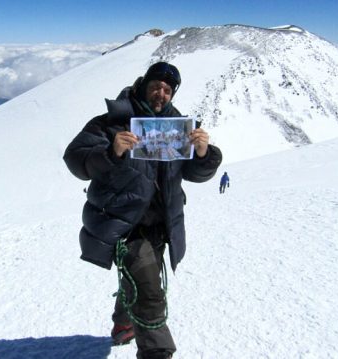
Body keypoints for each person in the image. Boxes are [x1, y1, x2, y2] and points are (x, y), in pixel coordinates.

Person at [63, 61, 222, 359]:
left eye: (166, 89)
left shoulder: (179, 127)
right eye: (155, 87)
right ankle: (157, 352)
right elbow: (75, 159)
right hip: (125, 226)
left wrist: (204, 154)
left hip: (161, 225)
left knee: (138, 277)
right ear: (142, 86)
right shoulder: (112, 123)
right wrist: (111, 152)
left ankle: (124, 325)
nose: (160, 93)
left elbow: (195, 174)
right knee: (150, 292)